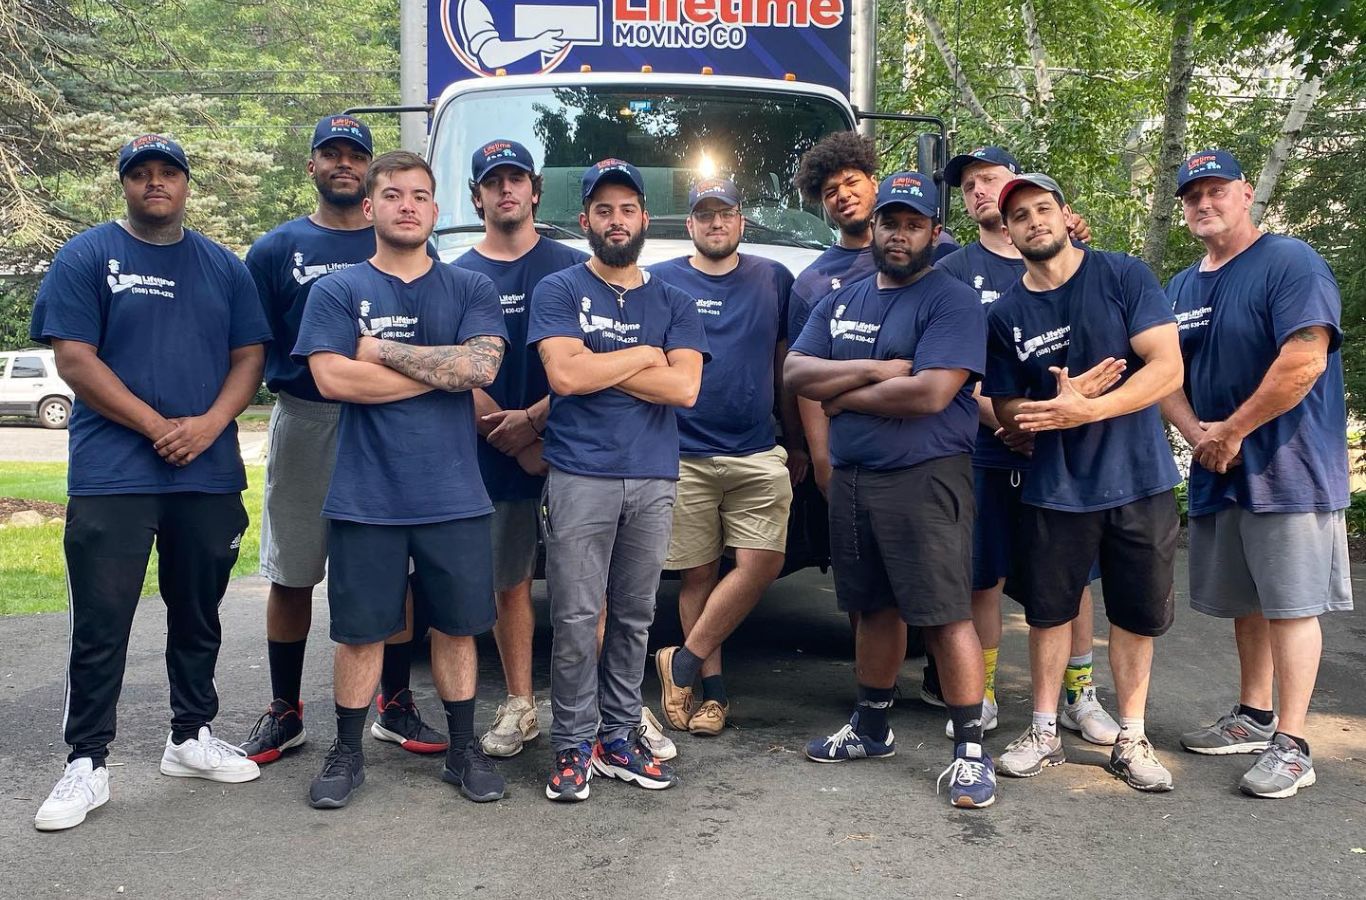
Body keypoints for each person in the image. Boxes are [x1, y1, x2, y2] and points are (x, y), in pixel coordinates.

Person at [32, 135, 269, 831]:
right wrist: (157, 425)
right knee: (103, 621)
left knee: (199, 610)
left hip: (207, 470)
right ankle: (86, 763)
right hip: (113, 472)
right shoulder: (85, 256)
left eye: (168, 173)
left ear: (186, 185)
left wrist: (207, 425)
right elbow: (74, 358)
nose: (155, 184)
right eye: (141, 175)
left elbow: (249, 354)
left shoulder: (224, 267)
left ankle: (189, 737)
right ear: (125, 186)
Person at [292, 151, 509, 809]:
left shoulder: (469, 287)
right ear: (370, 208)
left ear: (436, 211)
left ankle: (463, 749)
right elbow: (332, 379)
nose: (407, 204)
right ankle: (347, 753)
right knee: (359, 632)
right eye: (393, 195)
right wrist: (433, 374)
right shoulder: (337, 290)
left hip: (453, 494)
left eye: (419, 195)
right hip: (366, 495)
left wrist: (382, 351)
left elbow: (479, 370)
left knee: (457, 626)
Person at [240, 115, 446, 766]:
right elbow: (255, 342)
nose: (343, 163)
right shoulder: (276, 250)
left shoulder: (404, 245)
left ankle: (393, 702)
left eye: (355, 155)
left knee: (397, 569)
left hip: (388, 420)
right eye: (330, 153)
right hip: (308, 414)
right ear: (313, 166)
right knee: (294, 570)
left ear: (370, 173)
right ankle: (285, 709)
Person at [786, 172, 996, 810]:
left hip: (925, 479)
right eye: (890, 222)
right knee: (872, 608)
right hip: (853, 479)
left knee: (942, 612)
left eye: (912, 223)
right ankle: (872, 727)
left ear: (935, 231)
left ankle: (968, 752)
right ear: (872, 228)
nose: (898, 234)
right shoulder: (840, 296)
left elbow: (931, 393)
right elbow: (796, 371)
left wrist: (838, 393)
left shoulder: (951, 300)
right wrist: (874, 373)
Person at [983, 173, 1184, 791]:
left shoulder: (1123, 276)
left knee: (1134, 613)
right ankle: (1044, 731)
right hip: (1054, 488)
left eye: (1044, 209)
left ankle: (1132, 736)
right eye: (1019, 216)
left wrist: (1088, 408)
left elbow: (1167, 366)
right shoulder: (1007, 313)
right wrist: (1046, 409)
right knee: (1048, 613)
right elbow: (1005, 406)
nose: (1034, 222)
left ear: (1066, 216)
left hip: (1138, 480)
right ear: (1007, 231)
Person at [1162, 149, 1352, 798]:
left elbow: (1306, 358)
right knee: (1248, 603)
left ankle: (1294, 745)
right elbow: (1163, 372)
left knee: (1292, 605)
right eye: (1192, 196)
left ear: (1246, 195)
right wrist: (1198, 436)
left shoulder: (1289, 262)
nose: (1204, 203)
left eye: (1217, 191)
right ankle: (1253, 714)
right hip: (1220, 466)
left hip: (1289, 467)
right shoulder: (1183, 287)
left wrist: (1232, 431)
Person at [528, 158, 708, 801]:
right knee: (577, 617)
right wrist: (639, 356)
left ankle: (618, 736)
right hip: (580, 475)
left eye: (626, 208)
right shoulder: (559, 289)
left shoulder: (676, 301)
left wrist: (594, 357)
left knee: (634, 617)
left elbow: (684, 386)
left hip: (653, 477)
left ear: (643, 218)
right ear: (585, 221)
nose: (615, 219)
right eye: (602, 210)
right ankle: (573, 746)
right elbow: (565, 378)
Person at [935, 147, 1119, 746]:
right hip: (989, 447)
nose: (978, 192)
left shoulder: (1073, 258)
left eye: (988, 179)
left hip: (1072, 451)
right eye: (967, 187)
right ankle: (982, 692)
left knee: (1071, 579)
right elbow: (960, 370)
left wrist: (1052, 421)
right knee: (981, 577)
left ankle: (1079, 694)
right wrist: (1007, 423)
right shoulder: (954, 270)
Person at [648, 177, 799, 737]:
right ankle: (710, 695)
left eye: (726, 214)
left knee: (762, 563)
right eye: (704, 215)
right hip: (682, 450)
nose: (716, 223)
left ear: (741, 221)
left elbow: (788, 364)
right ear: (689, 225)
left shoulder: (774, 279)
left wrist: (800, 442)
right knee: (699, 575)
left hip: (758, 449)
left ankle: (679, 662)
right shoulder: (661, 282)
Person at [451, 138, 587, 758]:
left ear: (534, 190)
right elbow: (452, 368)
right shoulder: (453, 274)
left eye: (516, 179)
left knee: (587, 587)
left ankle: (600, 707)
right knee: (511, 583)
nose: (506, 190)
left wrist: (535, 428)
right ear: (477, 196)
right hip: (488, 454)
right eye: (492, 181)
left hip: (572, 450)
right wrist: (503, 437)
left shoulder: (573, 266)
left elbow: (597, 362)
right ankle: (520, 703)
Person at [789, 132, 879, 499]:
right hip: (851, 446)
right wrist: (822, 460)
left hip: (926, 447)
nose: (843, 195)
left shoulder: (931, 252)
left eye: (851, 181)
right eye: (830, 191)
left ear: (874, 181)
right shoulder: (812, 283)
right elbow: (806, 379)